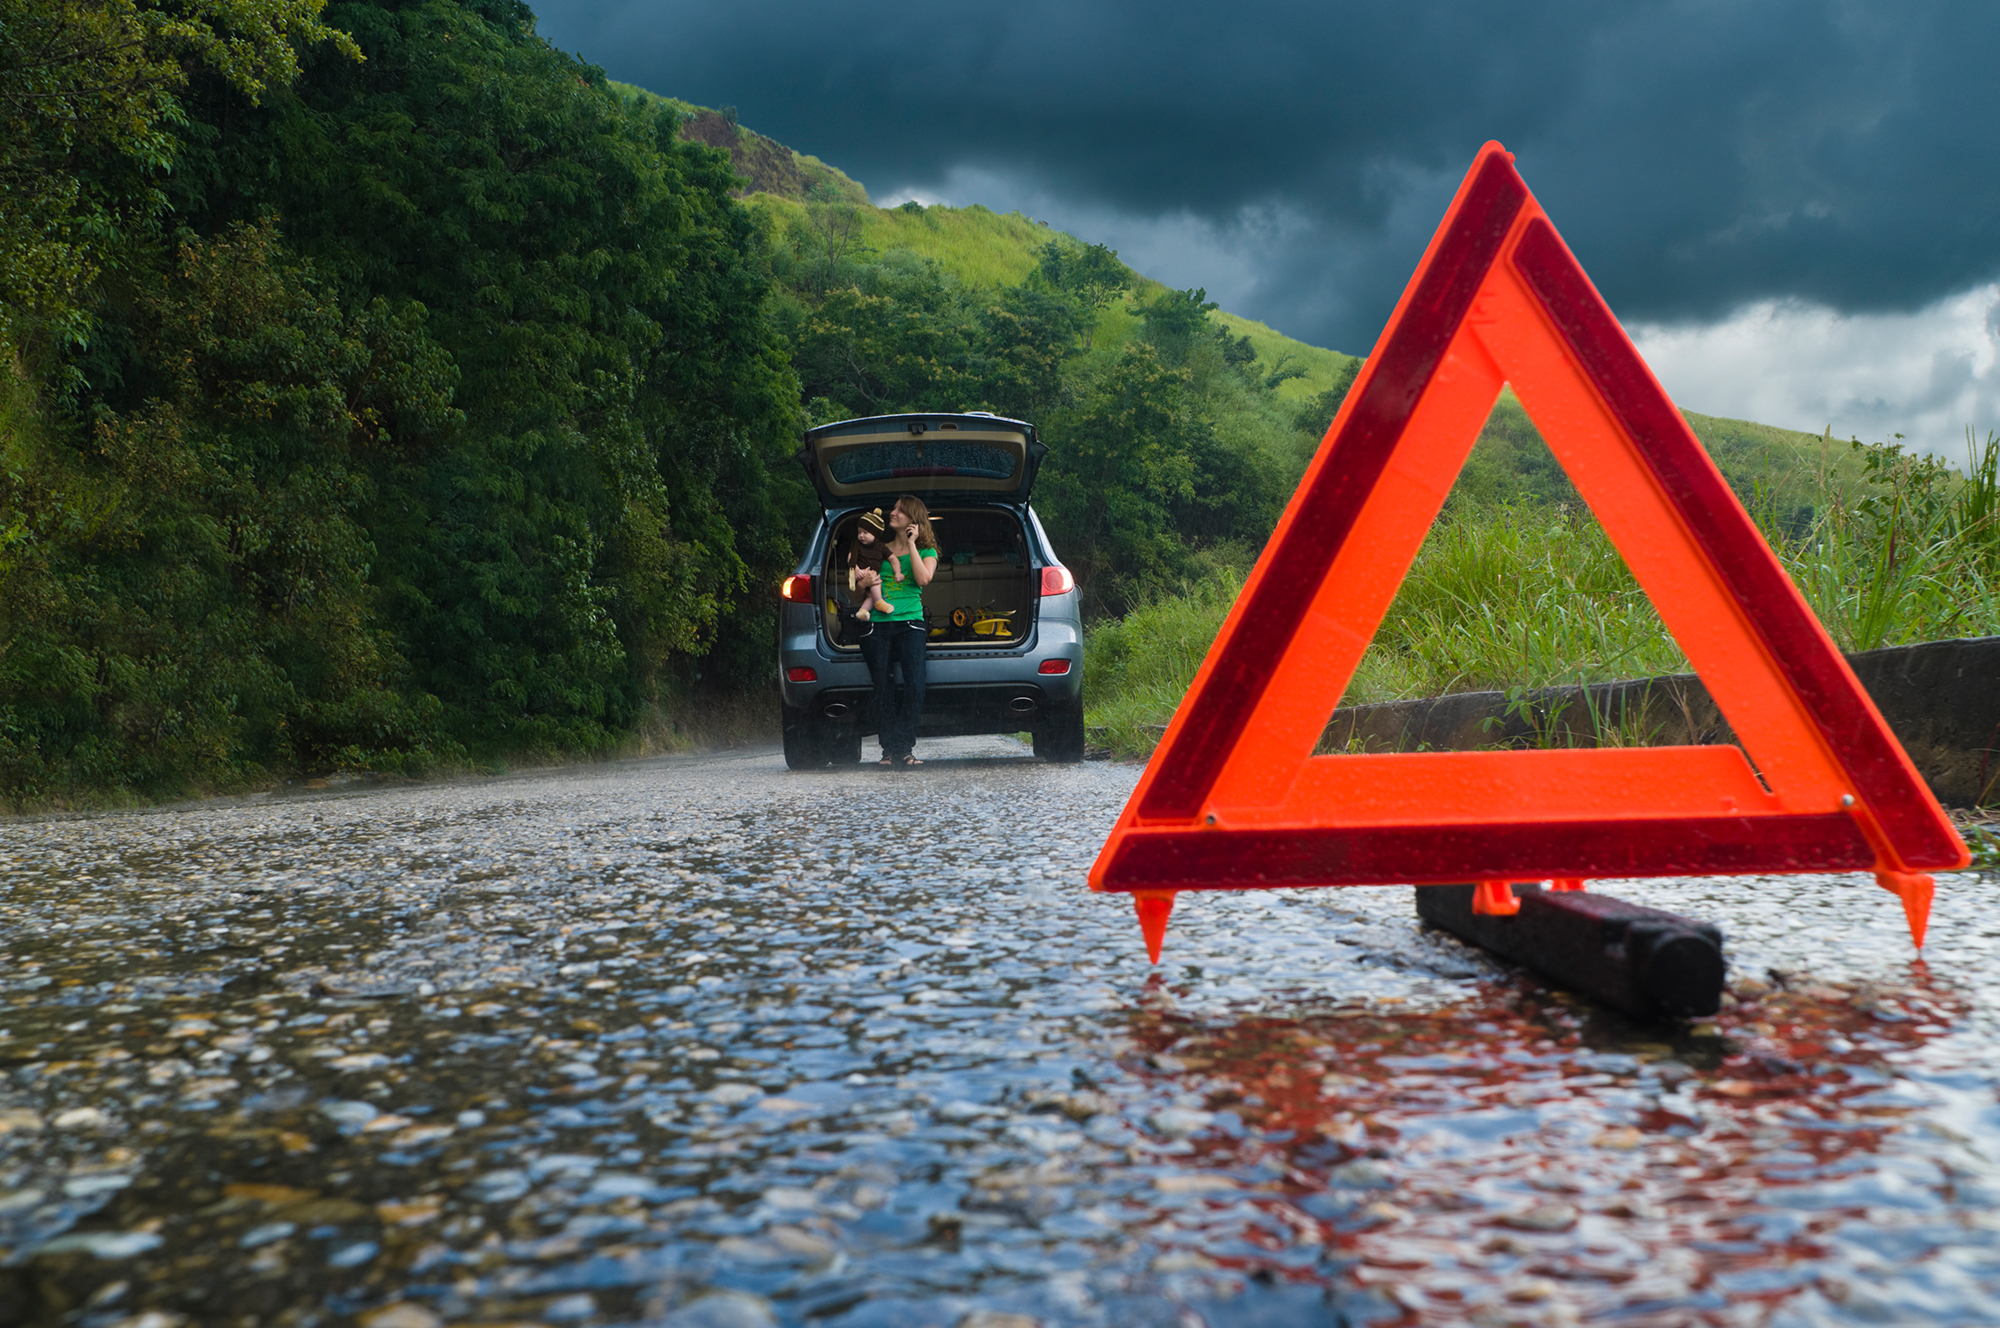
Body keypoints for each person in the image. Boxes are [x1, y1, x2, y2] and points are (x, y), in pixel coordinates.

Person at [860, 494, 938, 767]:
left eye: (899, 510)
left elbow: (923, 578)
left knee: (915, 686)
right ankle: (888, 751)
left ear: (912, 519)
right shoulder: (878, 548)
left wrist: (913, 544)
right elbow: (859, 587)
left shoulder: (927, 552)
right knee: (883, 688)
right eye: (893, 509)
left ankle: (904, 747)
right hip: (878, 626)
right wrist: (864, 581)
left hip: (911, 624)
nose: (892, 513)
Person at [844, 509, 895, 622]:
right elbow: (850, 557)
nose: (861, 536)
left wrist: (898, 572)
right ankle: (879, 602)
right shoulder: (857, 545)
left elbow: (893, 558)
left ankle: (862, 611)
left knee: (870, 596)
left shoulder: (880, 547)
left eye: (865, 532)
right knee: (874, 577)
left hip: (870, 575)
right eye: (859, 532)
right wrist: (856, 570)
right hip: (863, 574)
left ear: (875, 534)